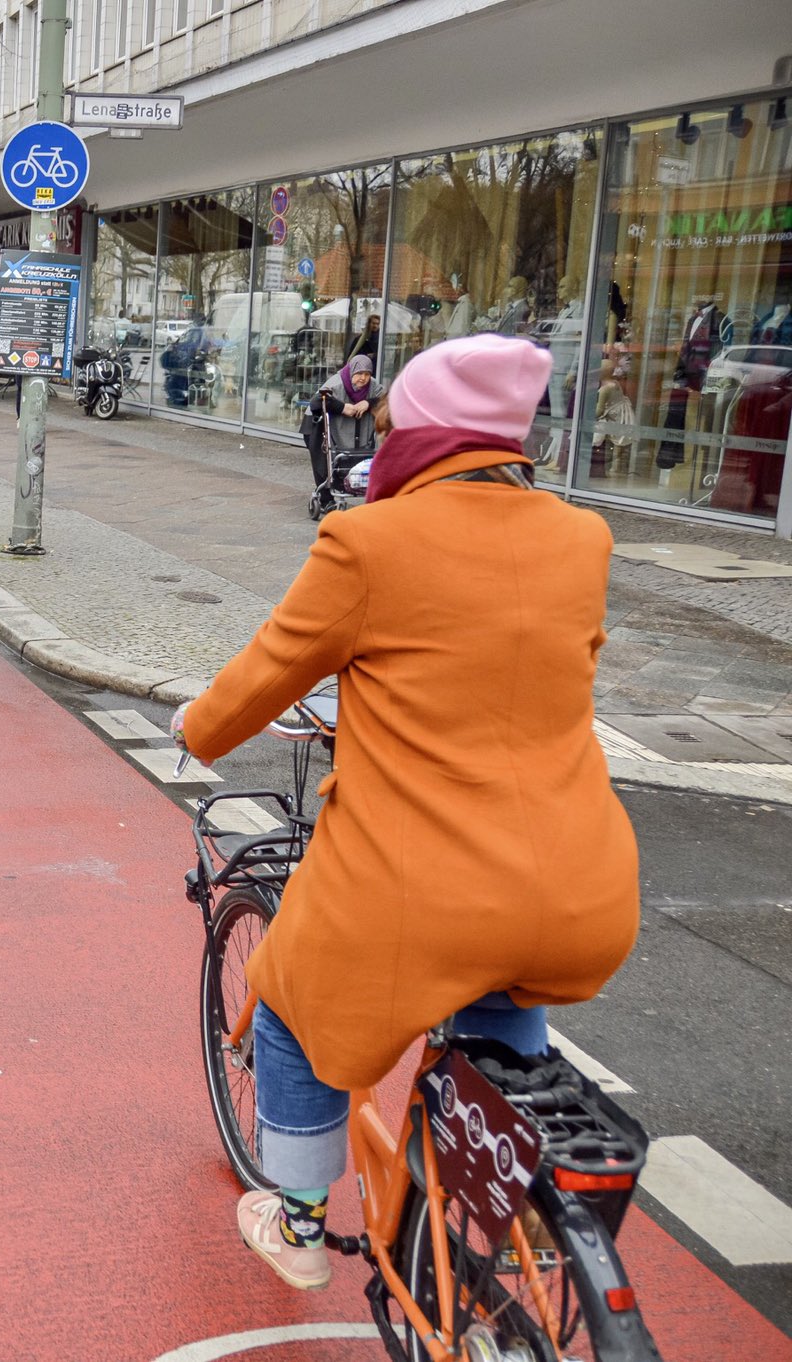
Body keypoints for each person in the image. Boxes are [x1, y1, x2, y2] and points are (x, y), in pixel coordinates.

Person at [171, 334, 640, 1293]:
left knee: (288, 1004)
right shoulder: (581, 539)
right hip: (576, 886)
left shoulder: (368, 544)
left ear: (422, 437)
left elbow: (269, 671)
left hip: (417, 890)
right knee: (503, 997)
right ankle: (525, 1207)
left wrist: (198, 726)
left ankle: (300, 1221)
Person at [304, 355, 384, 510]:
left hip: (351, 430)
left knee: (348, 460)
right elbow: (316, 402)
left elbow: (386, 399)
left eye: (367, 374)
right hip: (316, 426)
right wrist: (341, 407)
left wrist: (368, 402)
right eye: (359, 374)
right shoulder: (337, 383)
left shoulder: (373, 386)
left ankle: (341, 491)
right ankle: (325, 499)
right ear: (351, 371)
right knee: (325, 461)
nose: (363, 378)